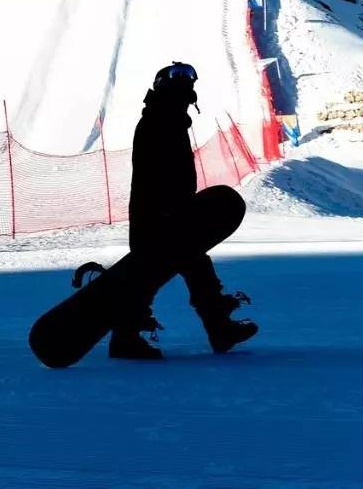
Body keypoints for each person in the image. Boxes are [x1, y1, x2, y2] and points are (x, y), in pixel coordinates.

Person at [108, 62, 259, 360]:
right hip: (157, 214)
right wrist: (167, 210)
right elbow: (156, 171)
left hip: (172, 212)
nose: (187, 90)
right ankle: (125, 338)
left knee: (194, 267)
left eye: (189, 85)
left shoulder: (171, 118)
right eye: (180, 85)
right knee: (147, 275)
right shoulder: (158, 119)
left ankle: (219, 329)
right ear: (164, 87)